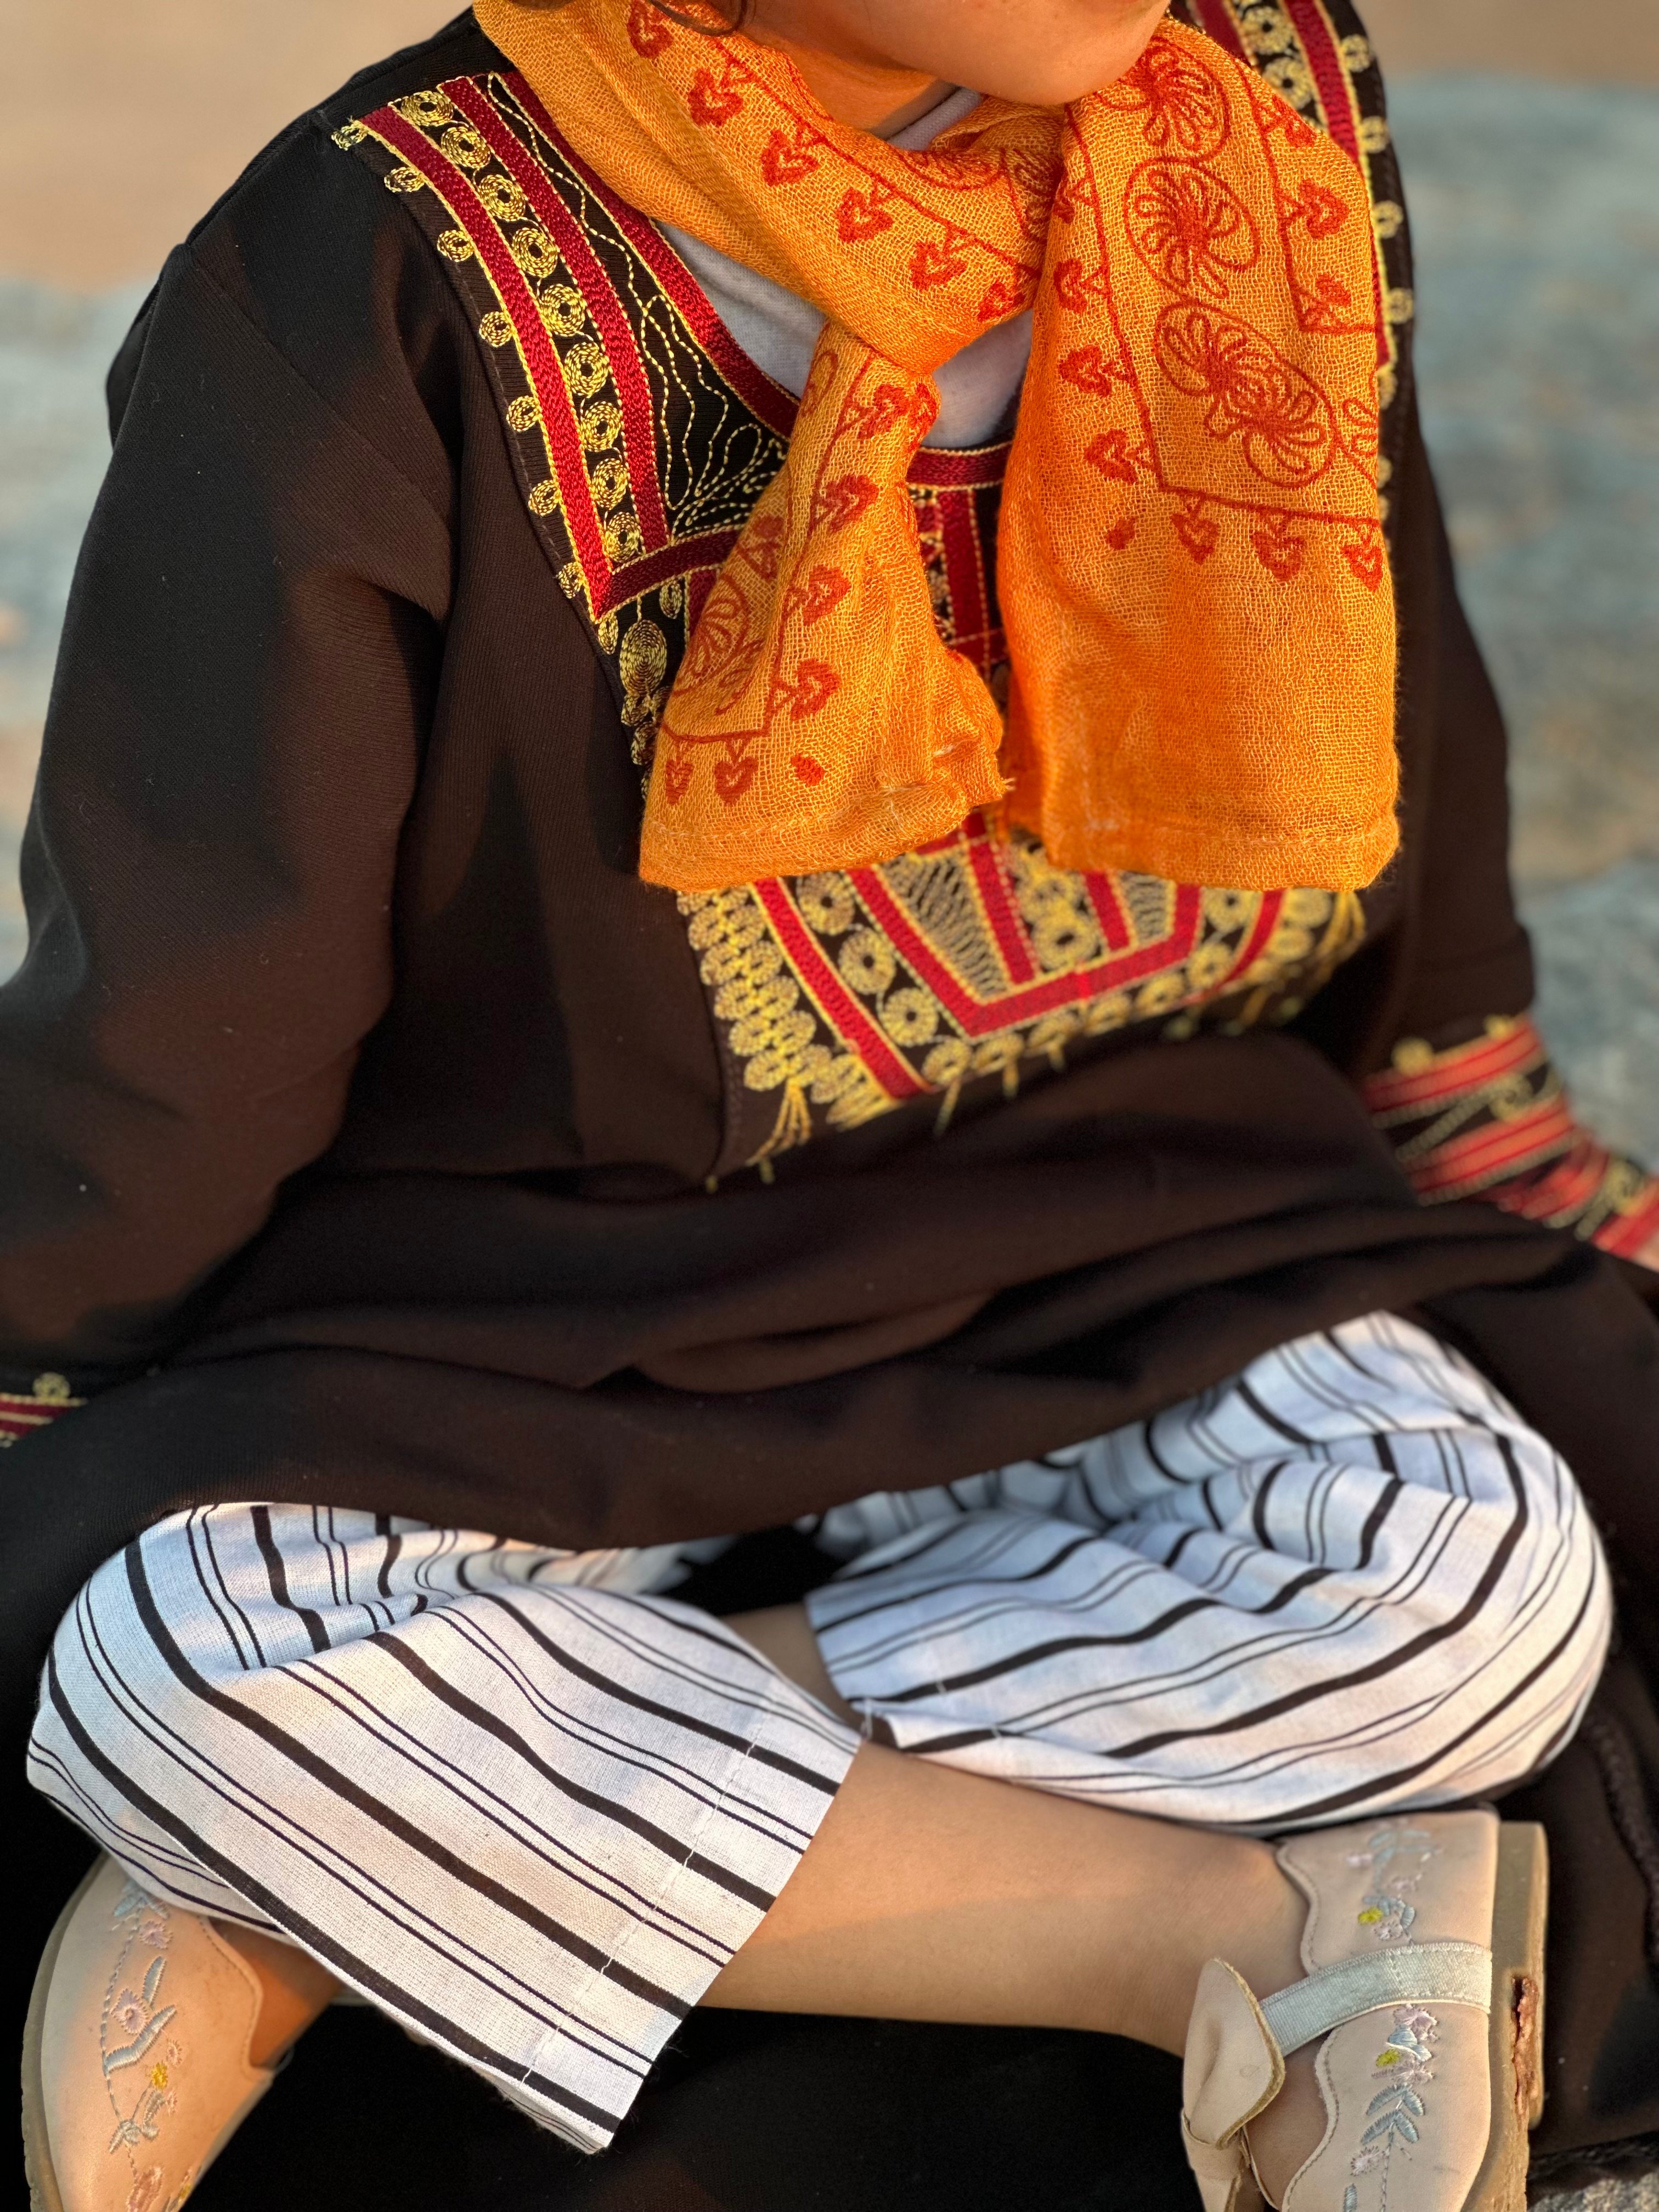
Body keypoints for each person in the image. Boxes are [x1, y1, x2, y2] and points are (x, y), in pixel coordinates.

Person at [6, 0, 1657, 2207]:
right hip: (547, 1315)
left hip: (1147, 1230)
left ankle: (351, 1884)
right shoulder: (373, 260)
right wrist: (50, 1353)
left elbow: (1396, 659)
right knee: (168, 1663)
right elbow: (204, 971)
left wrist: (1481, 1111)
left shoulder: (1252, 92)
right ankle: (1224, 1942)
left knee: (1483, 1588)